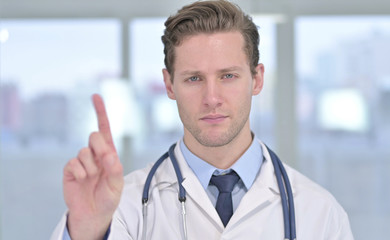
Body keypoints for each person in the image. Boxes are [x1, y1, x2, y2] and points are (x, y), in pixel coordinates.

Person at [51, 0, 354, 239]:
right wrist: (87, 233)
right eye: (194, 78)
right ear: (170, 85)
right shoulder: (121, 209)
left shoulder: (319, 213)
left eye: (228, 76)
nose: (212, 97)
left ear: (257, 79)